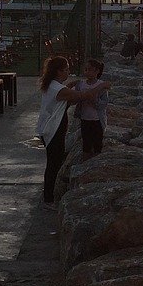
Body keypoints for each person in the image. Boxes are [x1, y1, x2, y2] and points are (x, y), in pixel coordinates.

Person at [36, 56, 109, 204]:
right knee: (53, 165)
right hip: (53, 130)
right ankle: (48, 199)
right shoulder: (58, 89)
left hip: (49, 128)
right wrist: (103, 85)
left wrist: (73, 85)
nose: (69, 72)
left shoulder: (52, 85)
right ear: (58, 71)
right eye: (67, 69)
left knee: (54, 162)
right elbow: (85, 96)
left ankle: (49, 196)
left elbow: (71, 99)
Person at [75, 58, 109, 160]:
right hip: (85, 119)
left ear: (97, 71)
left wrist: (94, 101)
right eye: (85, 69)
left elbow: (104, 103)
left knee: (97, 143)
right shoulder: (81, 84)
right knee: (86, 143)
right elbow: (75, 97)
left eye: (90, 69)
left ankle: (95, 163)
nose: (87, 72)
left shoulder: (101, 85)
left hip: (97, 120)